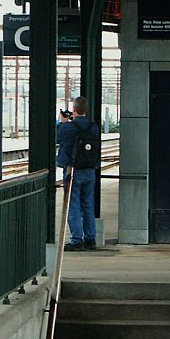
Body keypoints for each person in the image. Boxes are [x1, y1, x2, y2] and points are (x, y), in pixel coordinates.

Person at [56, 96, 98, 251]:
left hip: (73, 170)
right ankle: (90, 238)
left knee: (73, 203)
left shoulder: (68, 127)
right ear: (86, 110)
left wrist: (62, 121)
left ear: (74, 110)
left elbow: (57, 138)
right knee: (88, 203)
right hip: (90, 170)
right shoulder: (94, 126)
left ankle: (77, 240)